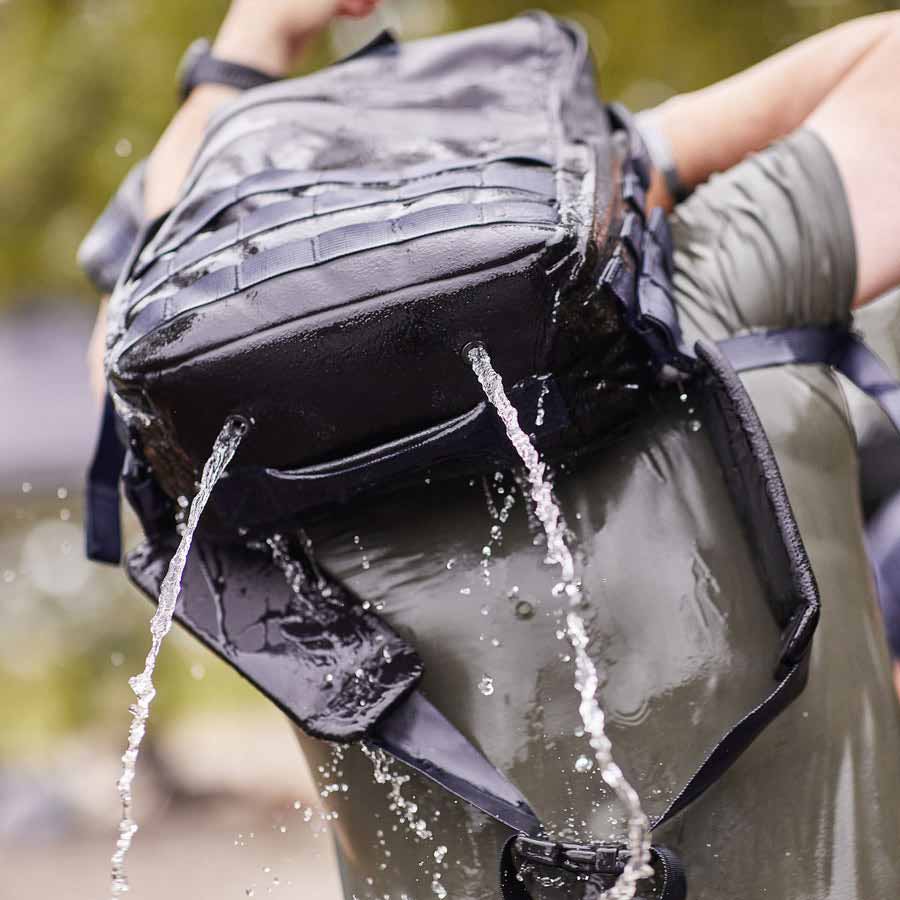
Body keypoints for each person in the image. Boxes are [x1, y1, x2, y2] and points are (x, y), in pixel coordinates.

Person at [84, 3, 900, 898]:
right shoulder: (711, 285)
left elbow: (131, 347)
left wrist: (246, 54)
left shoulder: (253, 473)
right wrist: (632, 157)